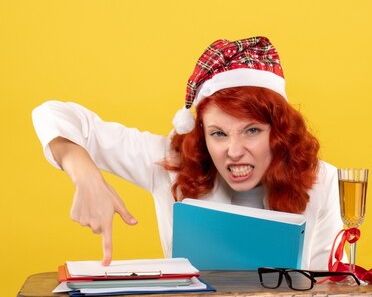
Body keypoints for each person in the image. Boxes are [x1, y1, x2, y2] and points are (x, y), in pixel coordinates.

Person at [32, 36, 344, 269]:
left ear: (278, 131)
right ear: (200, 133)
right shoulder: (171, 162)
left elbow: (327, 282)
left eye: (252, 131)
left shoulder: (322, 180)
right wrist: (85, 174)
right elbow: (52, 113)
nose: (234, 152)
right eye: (218, 134)